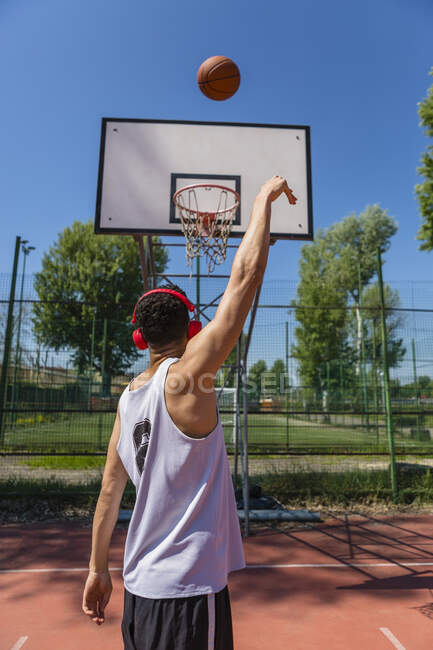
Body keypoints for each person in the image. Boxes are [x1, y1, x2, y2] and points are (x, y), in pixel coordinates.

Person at [82, 176, 294, 649]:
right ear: (192, 330)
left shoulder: (127, 398)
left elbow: (107, 496)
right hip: (189, 594)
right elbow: (241, 285)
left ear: (140, 338)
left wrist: (98, 570)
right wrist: (261, 200)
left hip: (139, 592)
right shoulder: (183, 379)